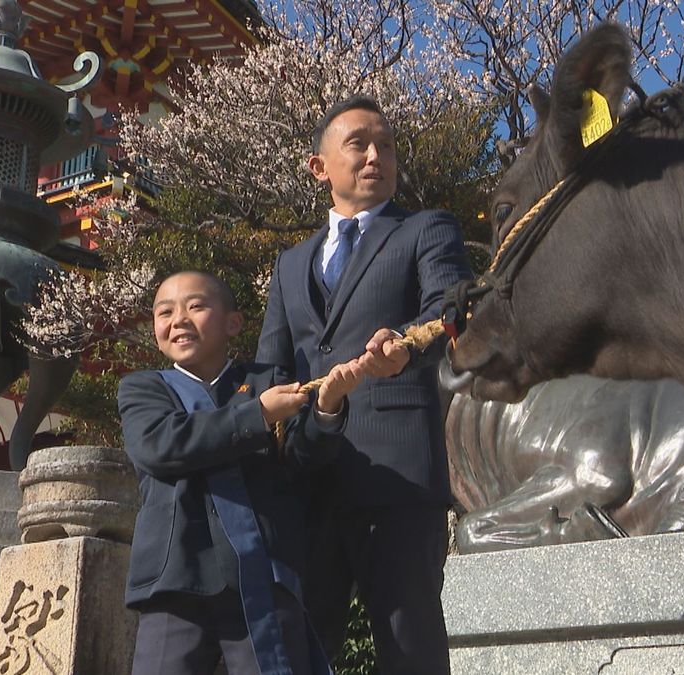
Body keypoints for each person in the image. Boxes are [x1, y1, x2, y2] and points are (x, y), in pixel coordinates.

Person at [256, 96, 473, 674]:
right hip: (307, 478)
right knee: (302, 644)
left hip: (398, 474)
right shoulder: (289, 264)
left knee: (410, 645)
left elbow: (452, 311)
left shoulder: (427, 229)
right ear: (318, 166)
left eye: (387, 144)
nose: (376, 155)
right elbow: (272, 369)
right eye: (358, 143)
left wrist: (403, 348)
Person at [119, 270, 364, 675]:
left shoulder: (268, 382)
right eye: (165, 312)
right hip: (176, 572)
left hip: (264, 572)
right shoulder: (143, 389)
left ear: (233, 322)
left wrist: (327, 409)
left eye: (195, 306)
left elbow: (302, 459)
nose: (178, 319)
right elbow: (162, 446)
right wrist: (259, 414)